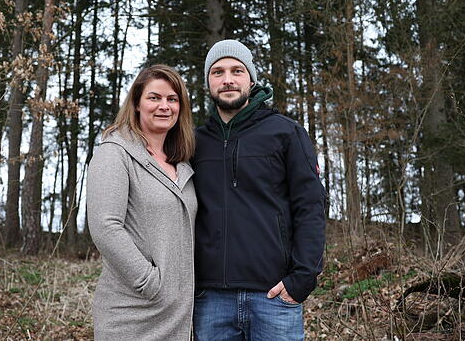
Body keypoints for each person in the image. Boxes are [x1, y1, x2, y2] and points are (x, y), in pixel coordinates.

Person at [192, 40, 327, 340]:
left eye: (237, 71)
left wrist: (302, 279)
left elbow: (310, 207)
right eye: (218, 72)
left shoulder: (285, 132)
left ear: (251, 80)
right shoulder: (194, 142)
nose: (228, 79)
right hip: (211, 300)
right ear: (208, 82)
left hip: (274, 296)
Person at [87, 64, 197, 340]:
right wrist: (150, 283)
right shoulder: (114, 153)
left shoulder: (182, 162)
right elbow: (105, 227)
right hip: (131, 311)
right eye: (154, 98)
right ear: (137, 103)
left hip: (178, 314)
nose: (164, 106)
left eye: (172, 99)